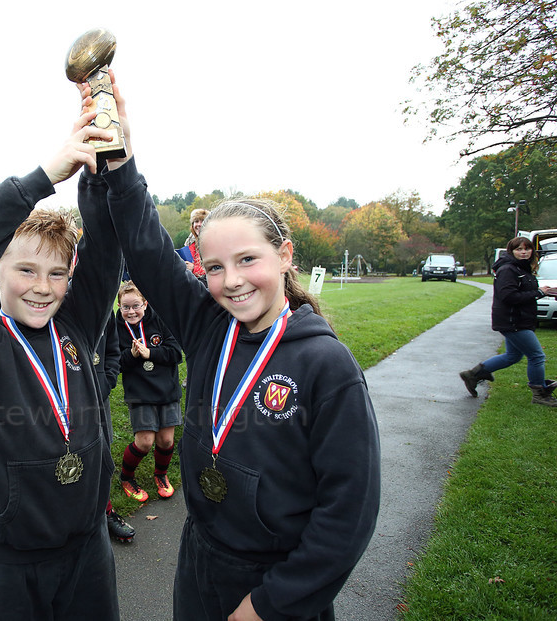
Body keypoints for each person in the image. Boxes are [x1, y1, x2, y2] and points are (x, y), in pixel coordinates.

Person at [104, 80, 380, 621]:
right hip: (201, 561)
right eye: (214, 267)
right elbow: (146, 247)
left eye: (248, 259)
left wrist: (270, 604)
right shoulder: (209, 327)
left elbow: (348, 511)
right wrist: (120, 159)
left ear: (285, 255)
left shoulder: (325, 365)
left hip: (278, 585)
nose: (231, 281)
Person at [0, 93, 123, 620]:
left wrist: (102, 167)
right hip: (10, 565)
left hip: (88, 551)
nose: (43, 288)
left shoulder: (77, 327)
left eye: (57, 273)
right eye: (26, 271)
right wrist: (47, 174)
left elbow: (107, 249)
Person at [460, 236, 557, 406]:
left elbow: (523, 291)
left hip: (520, 319)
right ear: (511, 251)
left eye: (527, 249)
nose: (524, 252)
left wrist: (545, 291)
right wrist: (539, 293)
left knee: (513, 356)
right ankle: (540, 394)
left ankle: (472, 375)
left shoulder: (522, 268)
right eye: (519, 249)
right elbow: (509, 296)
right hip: (513, 321)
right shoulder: (508, 270)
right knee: (536, 356)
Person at [116, 280, 182, 503]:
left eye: (136, 305)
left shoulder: (160, 320)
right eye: (125, 307)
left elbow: (176, 353)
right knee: (144, 441)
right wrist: (132, 356)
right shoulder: (117, 329)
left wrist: (150, 353)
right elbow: (116, 363)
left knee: (165, 440)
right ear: (119, 307)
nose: (131, 311)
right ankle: (126, 477)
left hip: (166, 389)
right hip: (139, 391)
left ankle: (161, 475)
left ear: (145, 303)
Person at [95, 310, 136, 543]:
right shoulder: (58, 302)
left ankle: (105, 512)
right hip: (62, 399)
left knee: (102, 457)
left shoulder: (105, 312)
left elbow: (113, 350)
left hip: (99, 399)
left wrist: (107, 380)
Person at [175, 208, 208, 278]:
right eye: (196, 221)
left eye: (202, 221)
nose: (199, 224)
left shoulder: (213, 243)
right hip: (191, 282)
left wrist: (193, 268)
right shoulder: (189, 242)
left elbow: (215, 271)